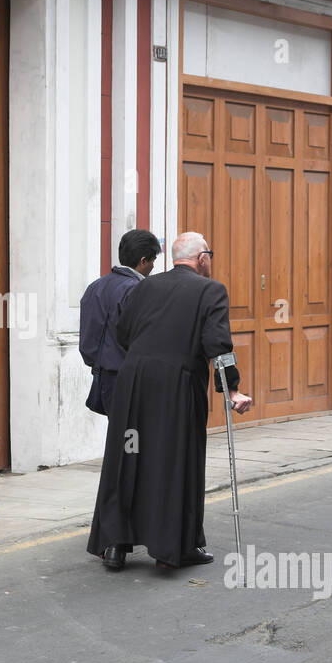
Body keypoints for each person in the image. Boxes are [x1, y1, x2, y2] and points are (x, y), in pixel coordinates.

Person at [86, 231, 253, 571]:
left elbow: (124, 331)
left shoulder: (144, 286)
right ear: (202, 258)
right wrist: (232, 389)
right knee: (176, 460)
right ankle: (172, 548)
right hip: (177, 384)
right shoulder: (211, 290)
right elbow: (218, 345)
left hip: (134, 384)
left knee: (128, 456)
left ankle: (116, 546)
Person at [79, 230, 161, 415]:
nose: (153, 266)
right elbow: (145, 337)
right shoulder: (138, 289)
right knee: (132, 434)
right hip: (129, 376)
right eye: (153, 260)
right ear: (143, 261)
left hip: (103, 374)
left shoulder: (95, 286)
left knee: (118, 432)